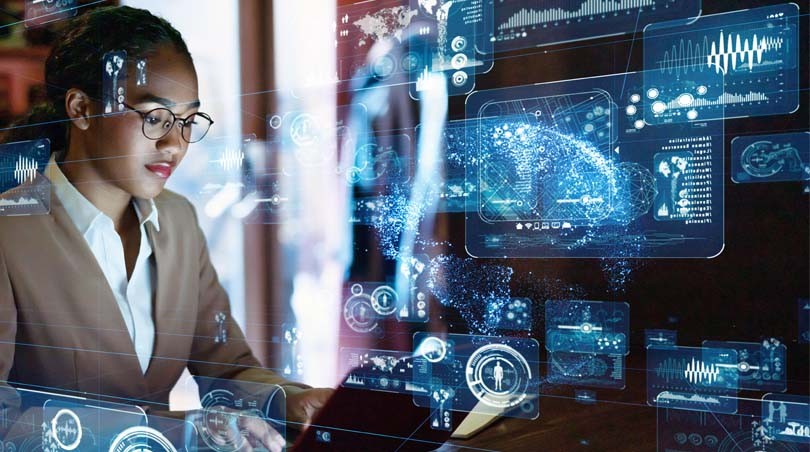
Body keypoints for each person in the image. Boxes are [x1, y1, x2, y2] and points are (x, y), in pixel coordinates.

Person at [0, 6, 330, 450]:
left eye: (188, 122)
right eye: (154, 117)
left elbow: (226, 365)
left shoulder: (178, 220)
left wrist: (290, 401)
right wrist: (179, 432)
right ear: (81, 109)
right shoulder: (9, 232)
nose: (175, 144)